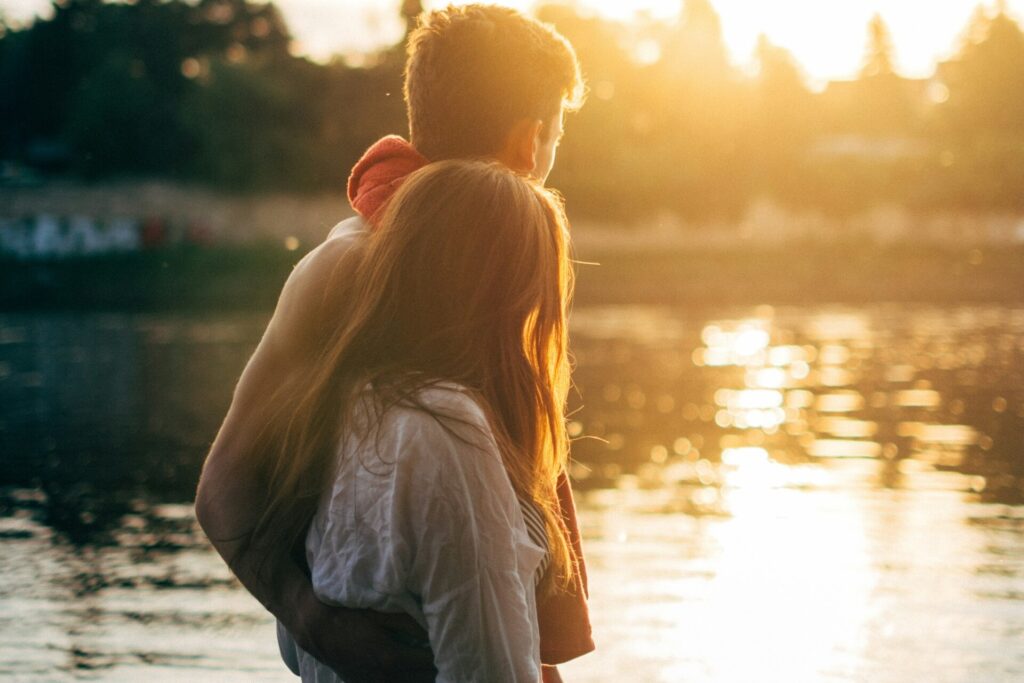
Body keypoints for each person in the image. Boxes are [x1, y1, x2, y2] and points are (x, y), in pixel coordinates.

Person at [195, 5, 593, 681]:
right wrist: (317, 623)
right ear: (530, 143)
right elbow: (223, 488)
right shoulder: (353, 268)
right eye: (554, 135)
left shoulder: (474, 275)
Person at [270, 159, 574, 681]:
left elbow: (295, 648)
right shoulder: (449, 431)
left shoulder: (339, 407)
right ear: (503, 296)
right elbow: (486, 667)